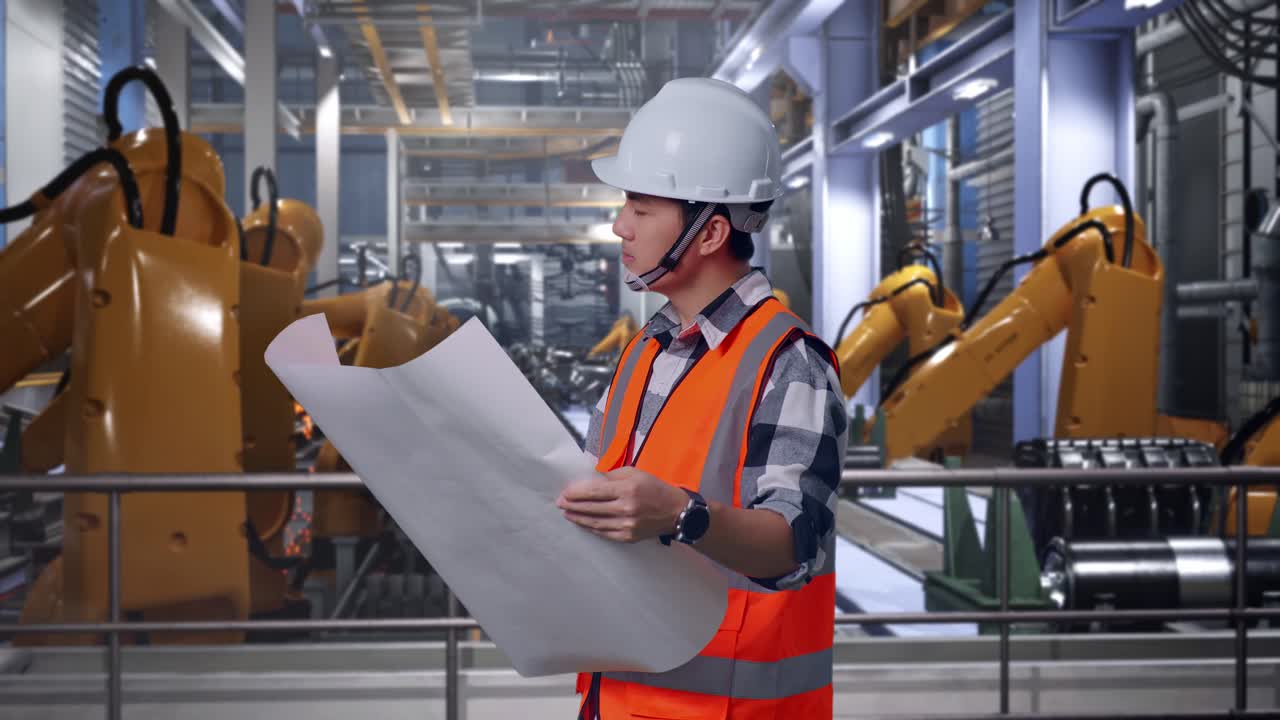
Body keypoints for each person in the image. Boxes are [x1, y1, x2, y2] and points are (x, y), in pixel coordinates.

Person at [555, 77, 848, 719]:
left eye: (641, 205)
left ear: (710, 234)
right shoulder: (644, 351)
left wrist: (681, 514)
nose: (619, 223)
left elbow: (793, 541)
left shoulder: (788, 361)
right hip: (616, 701)